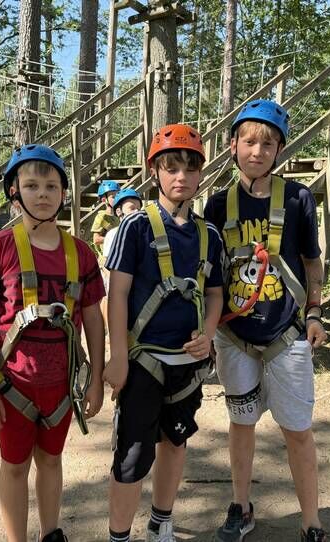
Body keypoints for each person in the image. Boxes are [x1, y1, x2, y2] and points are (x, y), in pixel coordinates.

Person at [0, 144, 106, 542]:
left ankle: (51, 533)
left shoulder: (81, 254)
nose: (42, 194)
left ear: (63, 193)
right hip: (12, 386)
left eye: (51, 186)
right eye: (32, 186)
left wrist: (95, 379)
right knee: (15, 465)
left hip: (60, 387)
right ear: (14, 192)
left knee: (52, 460)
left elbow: (94, 319)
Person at [203, 99, 328, 542]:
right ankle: (241, 506)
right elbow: (209, 275)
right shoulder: (217, 206)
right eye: (249, 142)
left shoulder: (297, 199)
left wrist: (315, 312)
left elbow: (311, 262)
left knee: (298, 429)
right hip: (234, 335)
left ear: (279, 150)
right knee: (241, 424)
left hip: (286, 334)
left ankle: (311, 521)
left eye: (268, 144)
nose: (257, 151)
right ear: (233, 146)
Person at [103, 124, 225, 542]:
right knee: (133, 455)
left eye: (190, 169)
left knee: (175, 442)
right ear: (154, 171)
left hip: (187, 364)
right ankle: (119, 535)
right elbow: (117, 295)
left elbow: (214, 293)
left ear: (201, 174)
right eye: (171, 168)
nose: (181, 177)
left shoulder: (208, 235)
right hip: (144, 362)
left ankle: (161, 521)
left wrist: (208, 333)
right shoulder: (135, 228)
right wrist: (118, 356)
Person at [102, 187, 143, 262]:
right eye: (132, 208)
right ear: (118, 212)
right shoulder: (113, 234)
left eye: (139, 209)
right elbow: (108, 262)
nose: (137, 212)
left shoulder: (143, 233)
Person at [92, 180, 121, 254]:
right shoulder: (102, 217)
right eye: (113, 197)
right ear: (104, 200)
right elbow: (96, 240)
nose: (117, 199)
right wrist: (116, 239)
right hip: (106, 257)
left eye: (118, 196)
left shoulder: (119, 215)